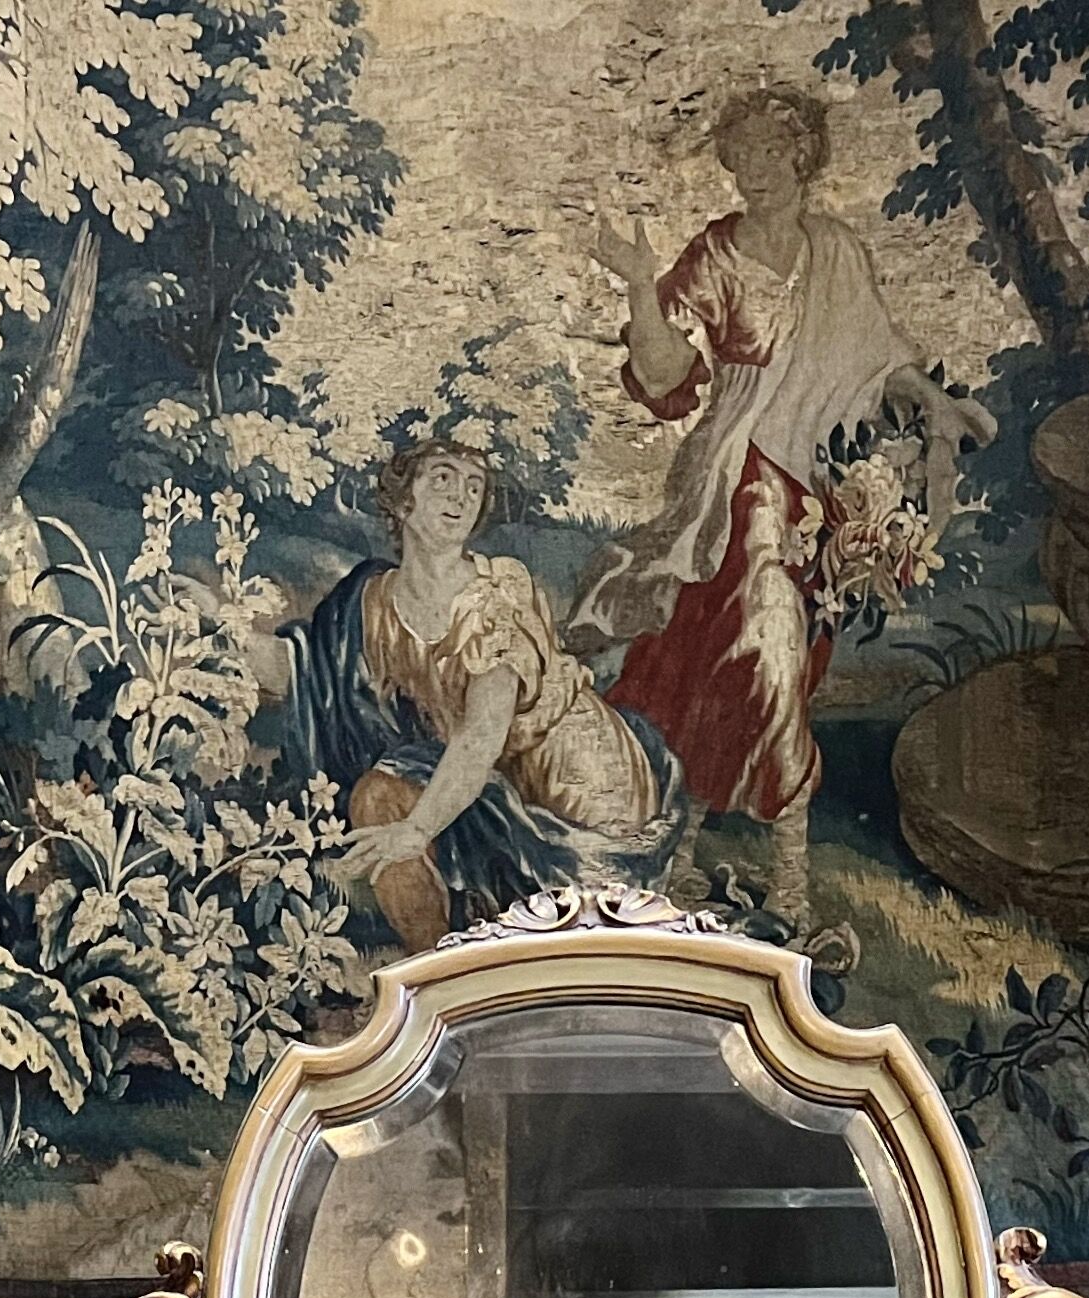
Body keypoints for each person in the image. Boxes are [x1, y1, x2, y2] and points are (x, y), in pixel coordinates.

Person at [576, 87, 992, 926]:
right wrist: (638, 288)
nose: (756, 169)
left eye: (773, 151)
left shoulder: (836, 250)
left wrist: (936, 405)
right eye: (744, 154)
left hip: (824, 486)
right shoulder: (716, 255)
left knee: (774, 667)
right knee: (739, 655)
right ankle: (762, 869)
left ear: (803, 156)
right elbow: (665, 378)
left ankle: (739, 859)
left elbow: (879, 364)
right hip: (737, 482)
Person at [286, 439, 685, 953]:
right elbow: (311, 669)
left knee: (567, 937)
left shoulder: (493, 599)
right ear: (402, 500)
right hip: (491, 780)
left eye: (474, 486)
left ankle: (460, 965)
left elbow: (481, 735)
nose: (461, 496)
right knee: (378, 796)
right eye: (443, 478)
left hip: (573, 782)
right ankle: (435, 968)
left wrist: (417, 827)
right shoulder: (374, 599)